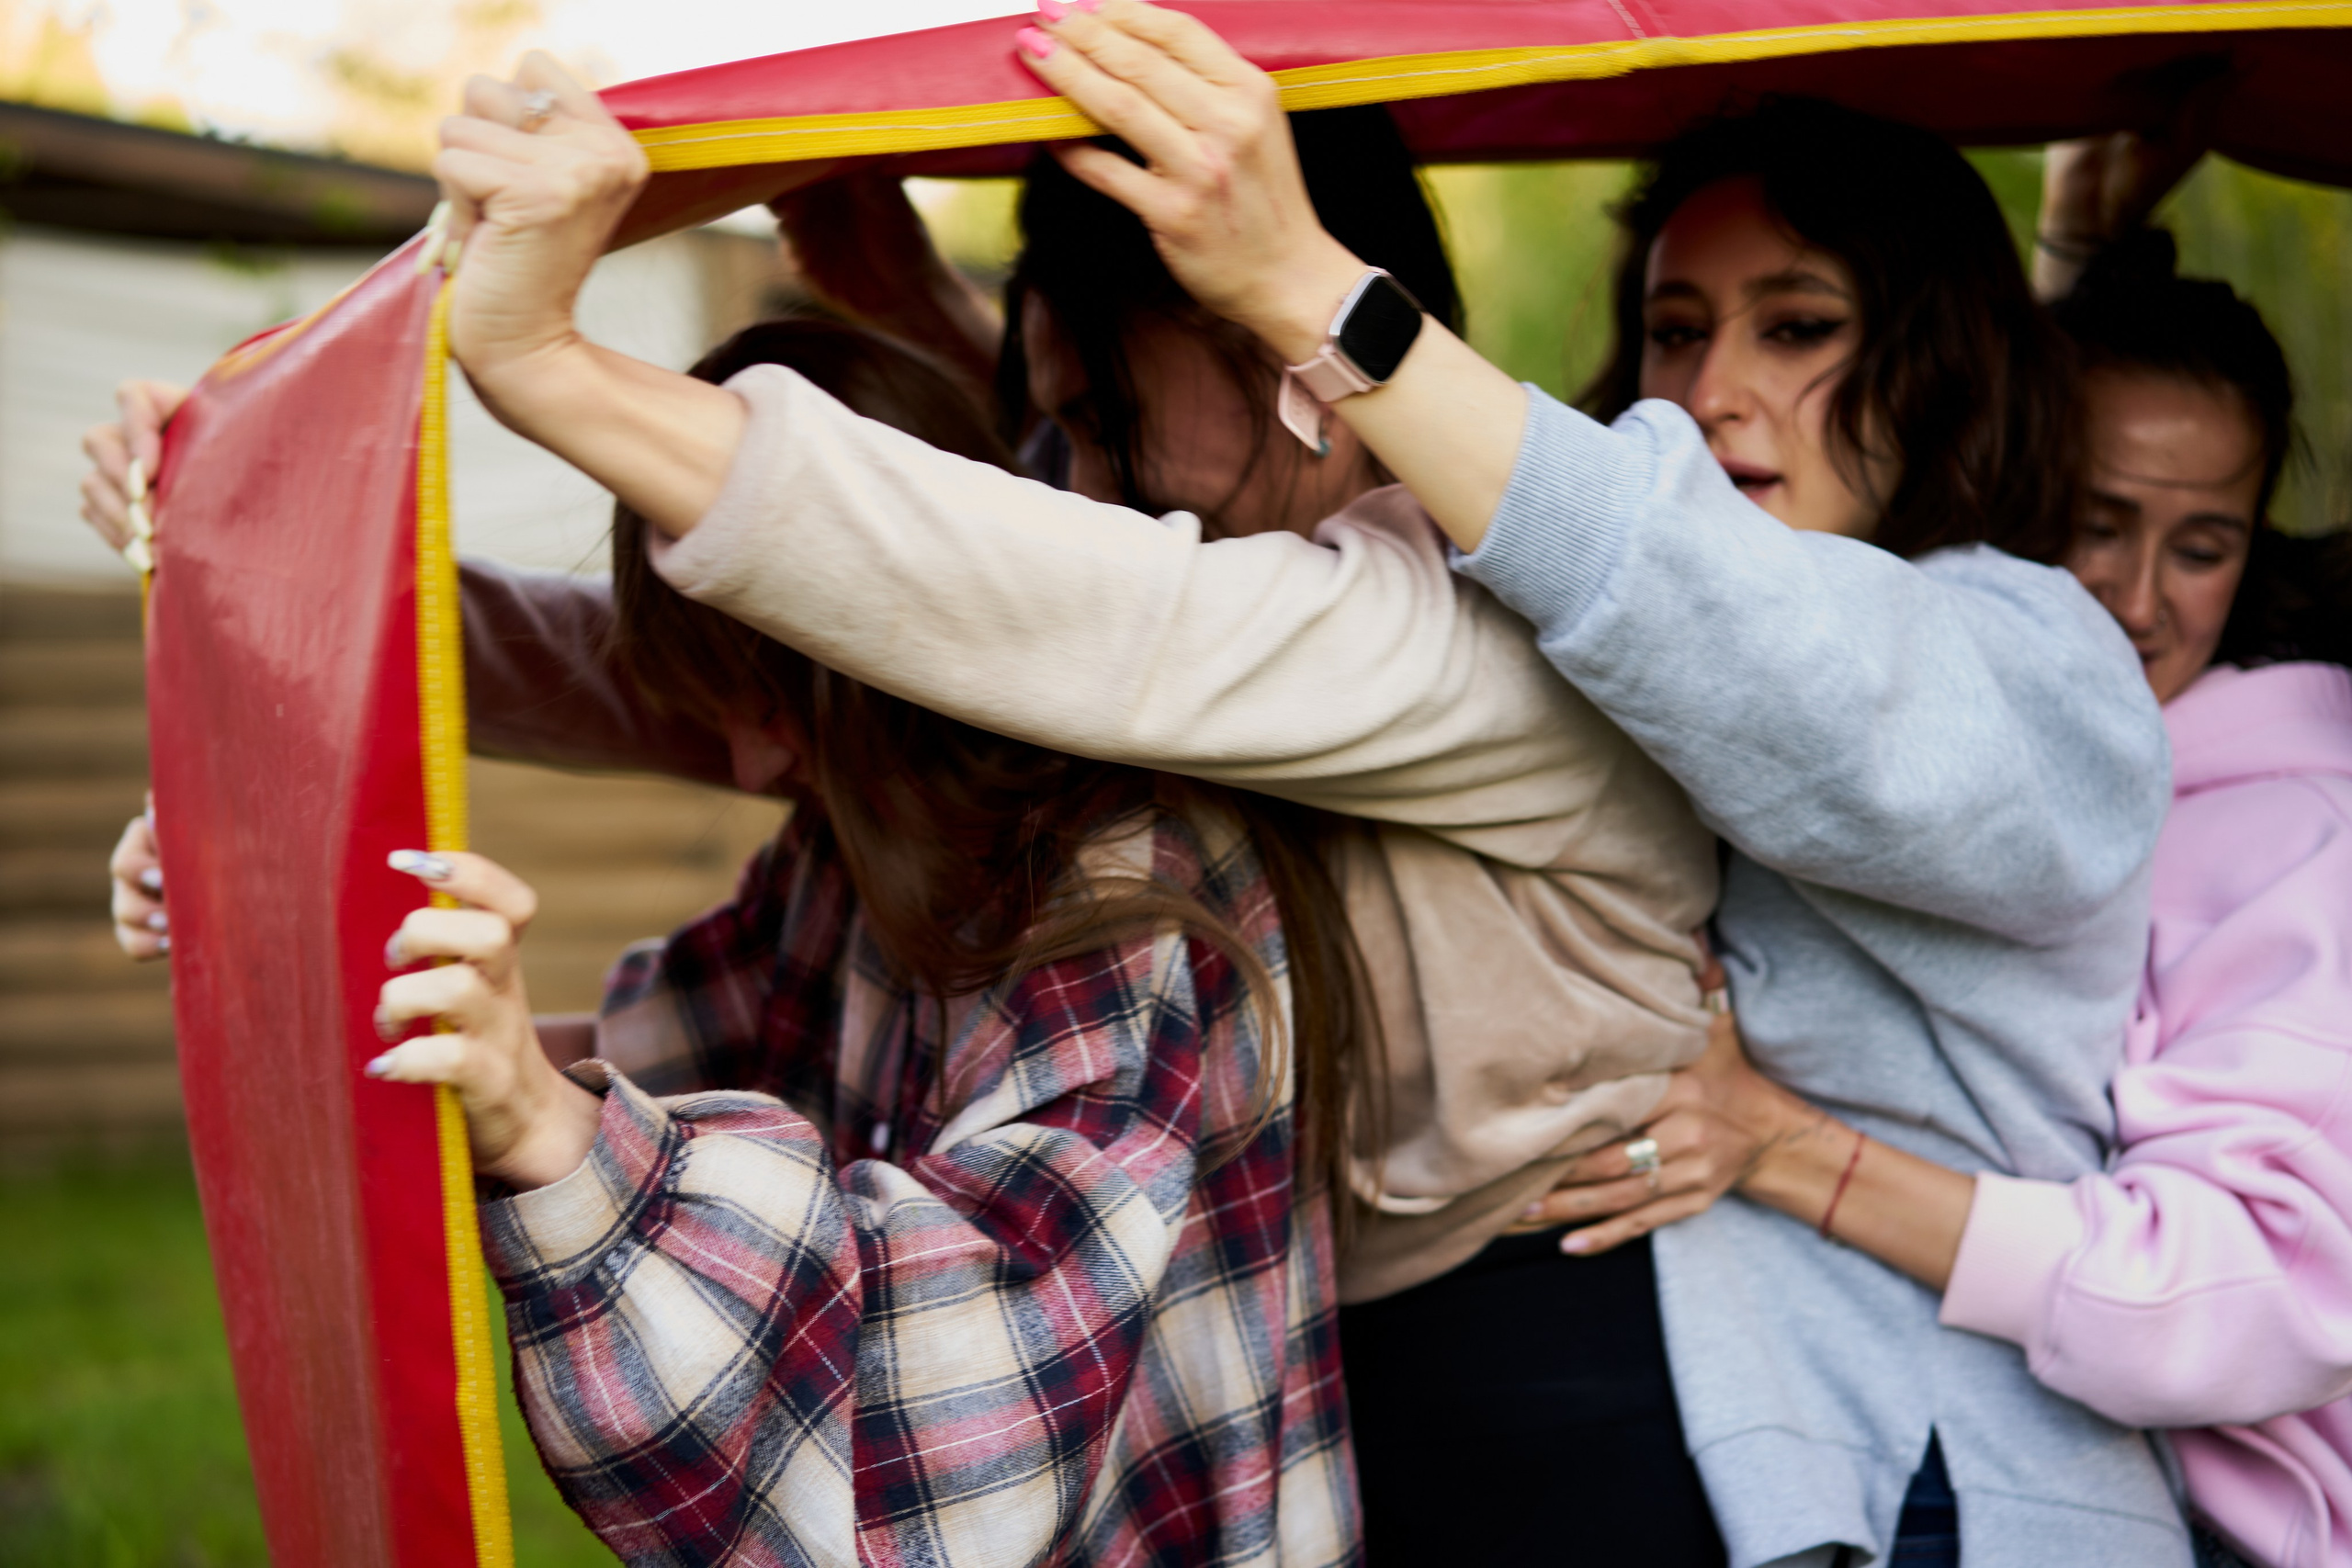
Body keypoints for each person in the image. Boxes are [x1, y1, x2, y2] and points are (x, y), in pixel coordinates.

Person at [384, 13, 2186, 1566]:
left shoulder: (1990, 655)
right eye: (1668, 330)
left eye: (1794, 326)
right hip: (1497, 1413)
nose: (1705, 392)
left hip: (1892, 1468)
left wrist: (554, 367)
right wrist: (333, 625)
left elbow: (1163, 602)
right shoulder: (1568, 607)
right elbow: (946, 618)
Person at [85, 92, 1728, 1559]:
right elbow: (788, 660)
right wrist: (257, 570)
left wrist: (549, 367)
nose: (1069, 481)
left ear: (1273, 350)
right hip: (1338, 1338)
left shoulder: (1431, 642)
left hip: (1545, 1358)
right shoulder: (1096, 709)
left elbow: (1069, 603)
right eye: (1050, 433)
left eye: (1086, 425)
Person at [364, 314, 1388, 1563]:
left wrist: (537, 1114)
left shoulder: (1131, 866)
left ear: (882, 636)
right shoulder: (858, 839)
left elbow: (985, 1408)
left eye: (773, 699)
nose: (746, 763)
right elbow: (676, 1053)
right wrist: (419, 1023)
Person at [1544, 224, 2352, 1568]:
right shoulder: (1886, 691)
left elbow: (2273, 1292)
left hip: (2214, 1520)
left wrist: (1792, 1152)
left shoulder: (2296, 820)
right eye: (2093, 526)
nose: (2140, 601)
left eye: (2203, 546)